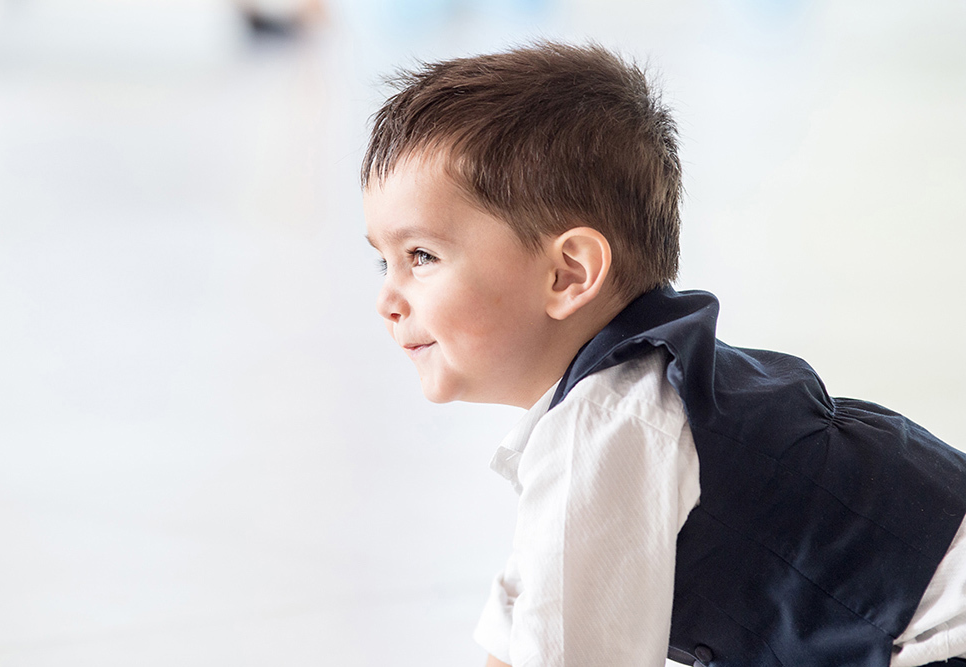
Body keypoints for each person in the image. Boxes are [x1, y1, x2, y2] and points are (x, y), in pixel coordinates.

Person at [361, 42, 966, 667]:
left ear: (569, 273)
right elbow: (526, 625)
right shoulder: (615, 397)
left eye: (421, 258)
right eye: (384, 260)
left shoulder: (609, 424)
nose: (387, 299)